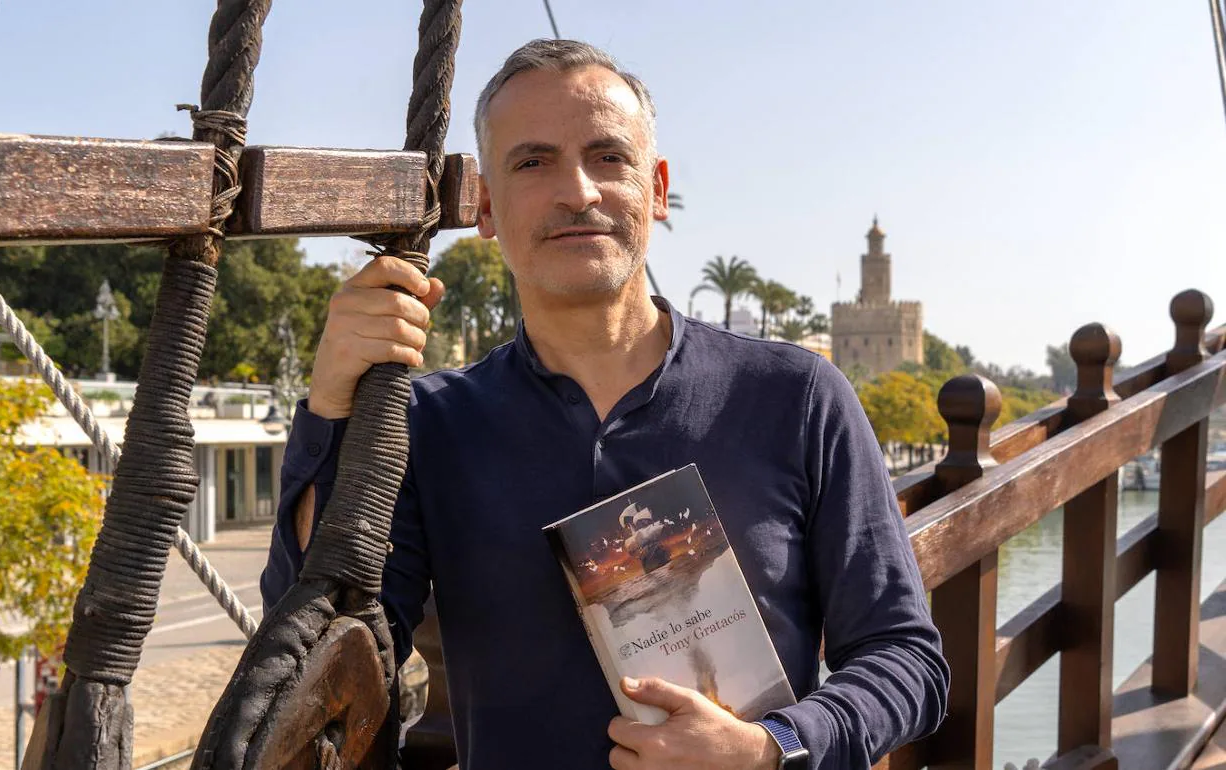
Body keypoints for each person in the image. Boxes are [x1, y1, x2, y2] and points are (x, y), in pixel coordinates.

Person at [261, 38, 948, 769]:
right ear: (487, 208)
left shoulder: (798, 397)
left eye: (608, 157)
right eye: (533, 162)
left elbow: (905, 659)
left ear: (656, 188)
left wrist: (769, 749)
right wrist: (334, 402)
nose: (578, 191)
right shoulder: (431, 425)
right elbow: (316, 652)